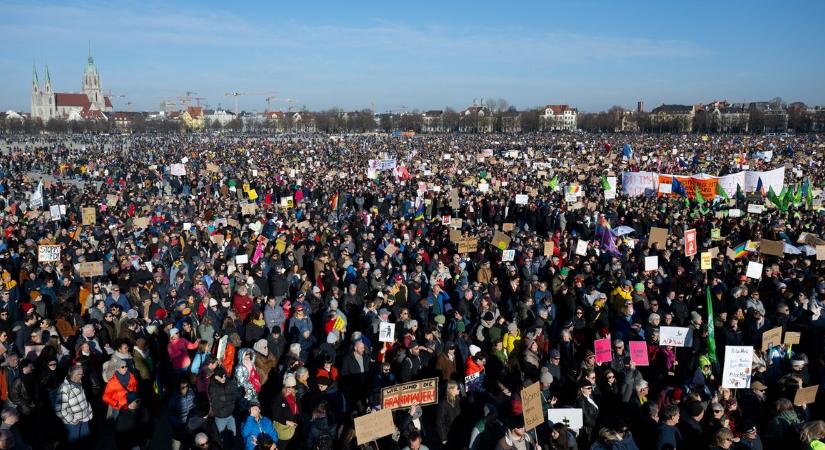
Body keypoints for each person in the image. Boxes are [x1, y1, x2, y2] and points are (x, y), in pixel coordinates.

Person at [55, 365, 94, 447]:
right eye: (81, 374)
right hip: (73, 423)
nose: (83, 375)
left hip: (84, 418)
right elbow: (59, 410)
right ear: (75, 375)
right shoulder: (64, 389)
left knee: (86, 442)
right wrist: (73, 420)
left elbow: (84, 400)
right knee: (75, 444)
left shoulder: (79, 383)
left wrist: (89, 411)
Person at [436, 380, 461, 446]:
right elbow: (440, 422)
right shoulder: (443, 404)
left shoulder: (458, 400)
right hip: (449, 435)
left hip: (459, 434)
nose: (459, 389)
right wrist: (444, 439)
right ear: (451, 390)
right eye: (457, 388)